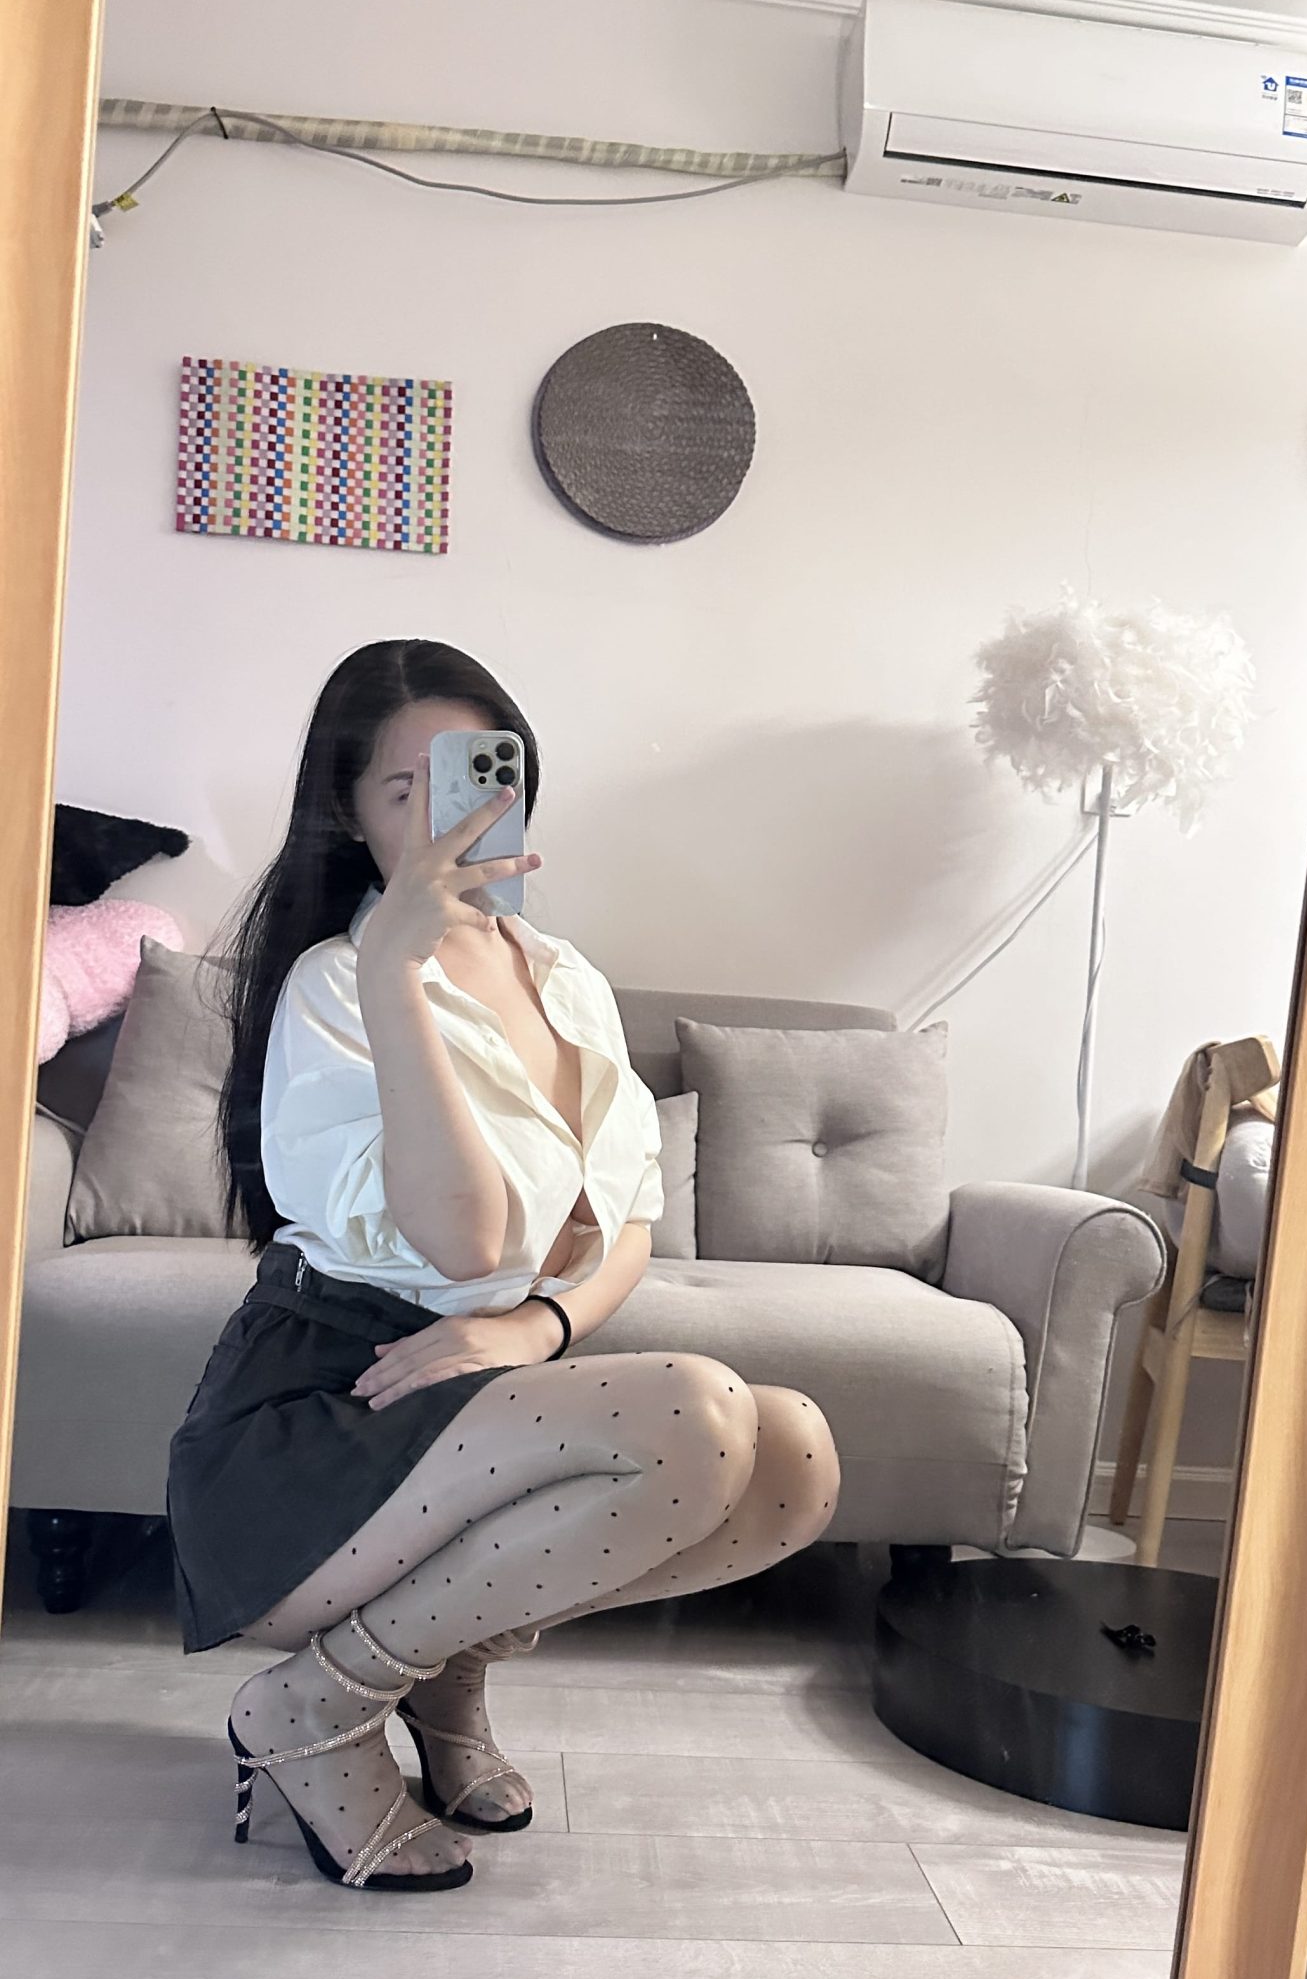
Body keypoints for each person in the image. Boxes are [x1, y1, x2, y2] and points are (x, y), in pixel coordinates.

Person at [166, 639, 840, 1894]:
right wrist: (396, 969)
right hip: (321, 1419)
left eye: (476, 775)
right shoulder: (336, 985)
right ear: (348, 813)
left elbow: (629, 1216)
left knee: (792, 1456)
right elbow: (465, 1242)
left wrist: (540, 1327)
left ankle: (444, 1674)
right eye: (405, 789)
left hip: (482, 1389)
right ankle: (317, 1706)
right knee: (694, 1415)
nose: (450, 818)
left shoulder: (565, 977)